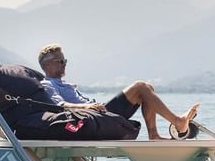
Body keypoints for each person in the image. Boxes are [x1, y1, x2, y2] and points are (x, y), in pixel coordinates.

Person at [38, 44, 199, 140]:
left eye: (64, 61)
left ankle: (154, 135)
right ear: (46, 66)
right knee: (140, 87)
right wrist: (87, 108)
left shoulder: (65, 84)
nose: (64, 64)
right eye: (60, 61)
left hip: (100, 114)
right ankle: (178, 121)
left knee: (147, 89)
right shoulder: (47, 84)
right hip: (93, 118)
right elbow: (60, 105)